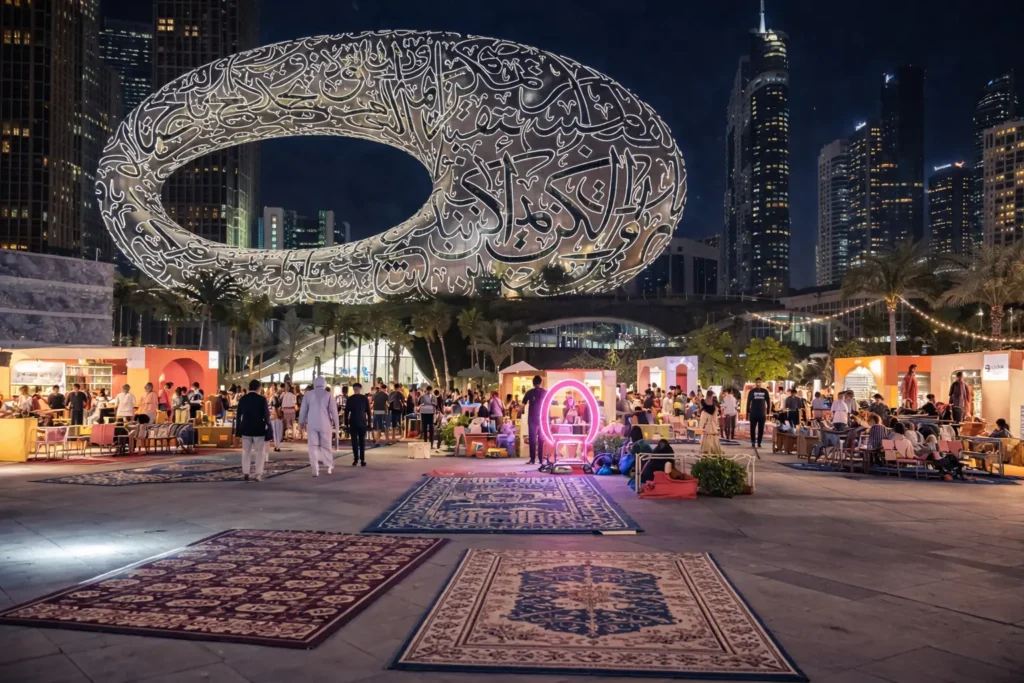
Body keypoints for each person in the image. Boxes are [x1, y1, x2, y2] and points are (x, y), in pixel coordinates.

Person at [299, 376, 338, 476]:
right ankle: (328, 466)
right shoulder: (328, 395)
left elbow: (303, 411)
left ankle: (315, 468)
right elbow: (334, 412)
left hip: (312, 423)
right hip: (325, 424)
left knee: (313, 446)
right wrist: (337, 427)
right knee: (326, 446)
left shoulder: (308, 394)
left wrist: (300, 424)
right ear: (325, 384)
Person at [235, 379, 272, 482]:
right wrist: (269, 428)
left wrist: (237, 430)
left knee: (246, 451)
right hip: (258, 429)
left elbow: (238, 416)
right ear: (259, 388)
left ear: (249, 388)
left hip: (245, 428)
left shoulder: (243, 399)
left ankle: (246, 472)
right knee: (260, 452)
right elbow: (267, 416)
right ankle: (258, 474)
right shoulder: (262, 399)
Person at [521, 375, 547, 465]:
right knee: (541, 439)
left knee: (532, 439)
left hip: (532, 419)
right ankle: (541, 459)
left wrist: (520, 412)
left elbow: (522, 405)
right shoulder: (545, 392)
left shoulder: (529, 392)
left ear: (533, 383)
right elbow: (548, 405)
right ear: (541, 382)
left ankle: (532, 459)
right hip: (542, 419)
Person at [344, 382, 371, 466]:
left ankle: (355, 459)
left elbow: (346, 412)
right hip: (362, 421)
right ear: (360, 389)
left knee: (354, 441)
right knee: (362, 441)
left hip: (353, 421)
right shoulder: (364, 398)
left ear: (353, 389)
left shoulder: (350, 399)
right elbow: (368, 411)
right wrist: (369, 422)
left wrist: (346, 423)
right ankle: (362, 460)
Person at [745, 378, 771, 448]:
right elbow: (748, 402)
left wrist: (768, 410)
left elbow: (768, 401)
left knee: (761, 428)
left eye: (760, 382)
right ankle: (753, 442)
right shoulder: (752, 391)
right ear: (755, 383)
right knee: (752, 428)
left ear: (761, 383)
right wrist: (747, 411)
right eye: (757, 382)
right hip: (753, 412)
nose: (758, 383)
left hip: (762, 413)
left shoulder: (765, 391)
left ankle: (759, 442)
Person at [698, 390, 723, 455]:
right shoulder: (715, 409)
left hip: (707, 429)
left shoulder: (704, 411)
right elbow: (716, 420)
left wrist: (699, 430)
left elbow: (702, 422)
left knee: (706, 447)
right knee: (715, 445)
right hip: (714, 428)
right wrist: (716, 426)